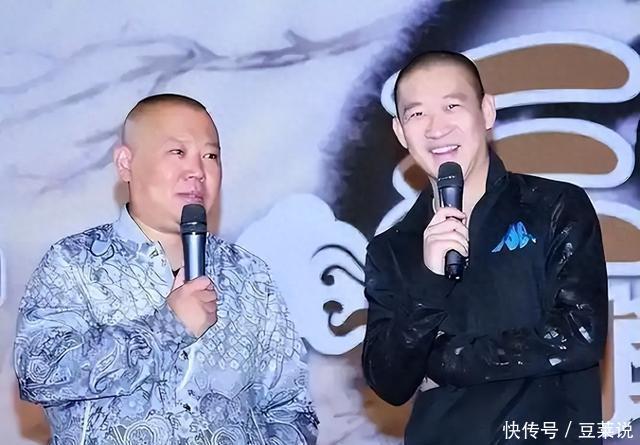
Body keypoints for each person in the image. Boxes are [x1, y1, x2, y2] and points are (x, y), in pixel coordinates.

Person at [14, 93, 318, 445]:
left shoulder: (250, 275)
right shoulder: (73, 263)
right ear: (126, 163)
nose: (197, 171)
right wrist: (168, 327)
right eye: (178, 152)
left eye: (210, 156)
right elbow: (39, 373)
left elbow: (291, 409)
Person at [361, 51, 608, 444]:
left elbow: (579, 334)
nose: (436, 128)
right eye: (417, 114)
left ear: (486, 111)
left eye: (452, 106)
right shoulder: (391, 248)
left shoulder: (553, 206)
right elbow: (388, 380)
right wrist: (427, 282)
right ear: (400, 132)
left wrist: (449, 359)